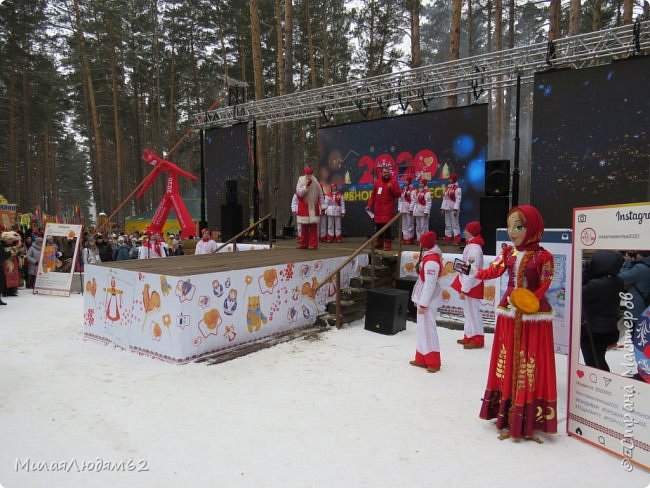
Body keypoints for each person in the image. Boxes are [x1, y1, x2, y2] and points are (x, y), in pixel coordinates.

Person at [473, 205, 556, 442]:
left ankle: (525, 417)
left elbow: (545, 282)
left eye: (518, 226)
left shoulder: (544, 256)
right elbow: (491, 272)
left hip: (532, 315)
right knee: (507, 357)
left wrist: (531, 301)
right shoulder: (508, 253)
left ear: (533, 228)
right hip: (510, 312)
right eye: (509, 226)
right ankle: (507, 415)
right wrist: (470, 270)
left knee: (528, 361)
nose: (512, 232)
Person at [581, 251, 625, 372]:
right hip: (608, 328)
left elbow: (578, 293)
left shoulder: (596, 285)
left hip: (592, 331)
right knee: (599, 359)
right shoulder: (618, 281)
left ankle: (600, 386)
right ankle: (603, 383)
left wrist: (585, 273)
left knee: (593, 361)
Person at [409, 231, 443, 373]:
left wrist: (423, 304)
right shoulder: (430, 257)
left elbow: (430, 284)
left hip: (428, 299)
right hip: (425, 296)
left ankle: (433, 362)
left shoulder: (431, 261)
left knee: (428, 329)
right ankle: (422, 357)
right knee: (423, 328)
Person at [452, 221, 485, 349]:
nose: (464, 232)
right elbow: (468, 268)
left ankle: (477, 339)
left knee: (473, 312)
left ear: (471, 232)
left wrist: (464, 289)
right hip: (470, 283)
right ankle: (469, 335)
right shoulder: (471, 246)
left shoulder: (474, 249)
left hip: (472, 285)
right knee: (468, 311)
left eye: (466, 230)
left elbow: (471, 271)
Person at [367, 166, 401, 250]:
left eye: (387, 172)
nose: (386, 174)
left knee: (387, 227)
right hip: (378, 209)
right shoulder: (377, 183)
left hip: (387, 209)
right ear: (381, 173)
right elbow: (373, 195)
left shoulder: (393, 182)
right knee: (378, 227)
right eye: (385, 172)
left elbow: (398, 194)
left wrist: (391, 188)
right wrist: (369, 205)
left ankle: (387, 244)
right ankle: (379, 243)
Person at [295, 167, 323, 249]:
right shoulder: (300, 180)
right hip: (304, 205)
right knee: (304, 226)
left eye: (310, 174)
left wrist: (323, 205)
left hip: (313, 206)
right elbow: (299, 193)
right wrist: (305, 187)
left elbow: (320, 194)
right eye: (307, 174)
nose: (309, 176)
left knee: (313, 227)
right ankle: (304, 244)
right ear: (305, 174)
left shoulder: (316, 182)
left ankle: (313, 244)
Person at [440, 173, 462, 245]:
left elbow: (458, 199)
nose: (449, 180)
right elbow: (444, 199)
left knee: (455, 224)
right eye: (449, 178)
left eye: (450, 178)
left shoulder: (457, 189)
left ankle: (457, 240)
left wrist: (455, 209)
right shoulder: (447, 188)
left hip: (453, 209)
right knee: (447, 224)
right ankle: (448, 238)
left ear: (454, 179)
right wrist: (442, 208)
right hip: (447, 208)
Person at [398, 176, 416, 244]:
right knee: (404, 224)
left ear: (409, 181)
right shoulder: (403, 189)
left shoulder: (412, 190)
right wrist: (399, 208)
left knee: (409, 224)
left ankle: (410, 238)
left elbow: (413, 200)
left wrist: (411, 209)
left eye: (406, 181)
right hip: (403, 208)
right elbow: (400, 199)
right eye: (404, 181)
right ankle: (405, 237)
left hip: (408, 208)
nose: (405, 182)